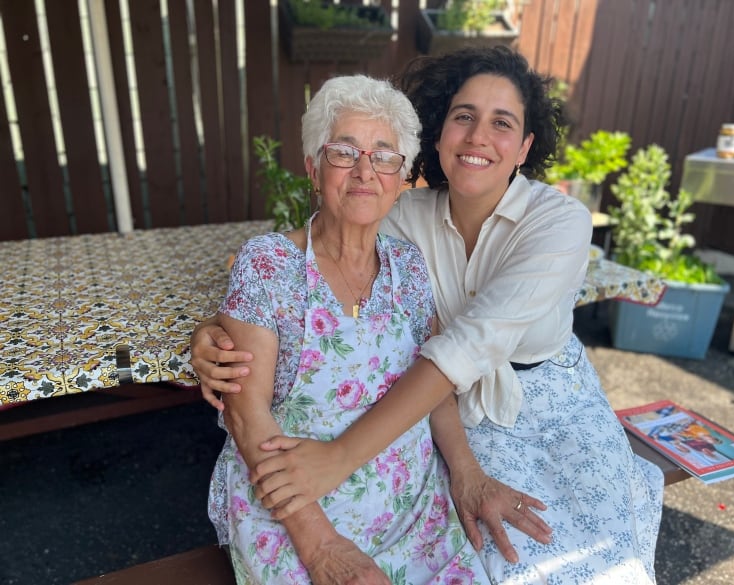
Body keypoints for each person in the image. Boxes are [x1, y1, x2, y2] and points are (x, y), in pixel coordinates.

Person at [193, 46, 664, 584]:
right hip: (388, 442)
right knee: (509, 561)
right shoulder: (397, 220)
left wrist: (362, 460)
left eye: (502, 123)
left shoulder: (551, 224)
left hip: (540, 406)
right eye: (463, 117)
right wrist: (211, 331)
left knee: (589, 559)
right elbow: (273, 277)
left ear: (525, 145)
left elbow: (458, 352)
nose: (366, 171)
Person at [207, 74, 502, 585]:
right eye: (344, 151)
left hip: (413, 510)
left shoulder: (408, 267)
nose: (365, 170)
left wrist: (466, 476)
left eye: (385, 155)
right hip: (296, 510)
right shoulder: (269, 264)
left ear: (402, 177)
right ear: (313, 168)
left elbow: (432, 391)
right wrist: (322, 549)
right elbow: (245, 415)